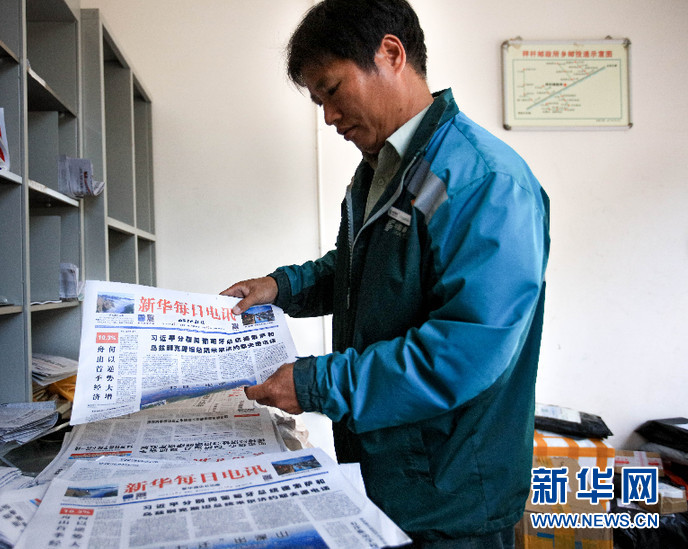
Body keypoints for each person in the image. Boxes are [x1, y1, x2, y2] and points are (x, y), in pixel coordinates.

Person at [221, 0, 550, 546]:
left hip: (451, 497)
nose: (329, 117)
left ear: (391, 54)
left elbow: (463, 351)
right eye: (319, 101)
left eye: (332, 90)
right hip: (385, 473)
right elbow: (363, 270)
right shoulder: (386, 168)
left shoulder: (484, 181)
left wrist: (315, 383)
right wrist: (283, 286)